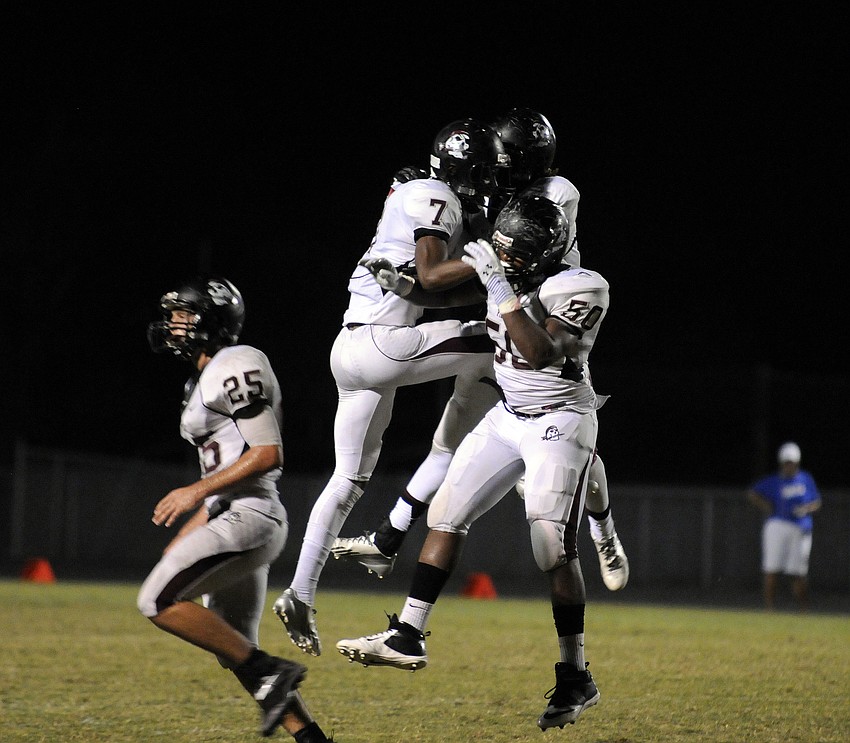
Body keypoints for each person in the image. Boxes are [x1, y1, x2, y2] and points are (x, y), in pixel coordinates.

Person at [336, 193, 607, 731]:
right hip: (510, 413)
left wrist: (501, 286)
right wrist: (401, 286)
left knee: (551, 543)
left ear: (548, 250)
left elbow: (541, 352)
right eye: (501, 249)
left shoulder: (580, 285)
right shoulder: (508, 270)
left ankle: (575, 673)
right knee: (445, 513)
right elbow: (449, 294)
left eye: (515, 251)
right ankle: (407, 635)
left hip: (561, 418)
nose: (504, 258)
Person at [332, 108, 629, 592]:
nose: (495, 171)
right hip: (500, 296)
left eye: (504, 161)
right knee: (451, 439)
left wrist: (452, 202)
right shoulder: (508, 192)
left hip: (544, 310)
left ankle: (605, 532)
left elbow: (513, 241)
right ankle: (388, 539)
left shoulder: (556, 193)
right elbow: (479, 250)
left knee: (571, 427)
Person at [272, 119, 511, 656]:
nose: (486, 182)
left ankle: (300, 593)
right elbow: (430, 277)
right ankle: (529, 428)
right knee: (503, 333)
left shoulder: (419, 193)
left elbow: (426, 289)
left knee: (348, 479)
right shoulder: (436, 195)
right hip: (385, 346)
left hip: (349, 348)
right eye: (482, 172)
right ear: (463, 169)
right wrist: (487, 261)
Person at [138, 276, 332, 741]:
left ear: (213, 321)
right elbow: (227, 467)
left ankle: (274, 670)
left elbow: (267, 453)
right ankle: (312, 738)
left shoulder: (236, 361)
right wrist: (189, 528)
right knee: (235, 650)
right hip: (234, 514)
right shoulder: (202, 378)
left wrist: (194, 490)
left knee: (156, 601)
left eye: (184, 315)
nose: (173, 324)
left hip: (252, 515)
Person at [748, 441, 821, 611]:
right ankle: (770, 609)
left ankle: (804, 609)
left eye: (792, 463)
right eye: (786, 462)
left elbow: (816, 502)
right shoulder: (774, 481)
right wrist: (766, 506)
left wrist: (805, 509)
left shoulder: (805, 479)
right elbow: (753, 493)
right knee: (771, 568)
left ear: (797, 463)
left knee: (797, 572)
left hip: (800, 527)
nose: (789, 466)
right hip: (778, 524)